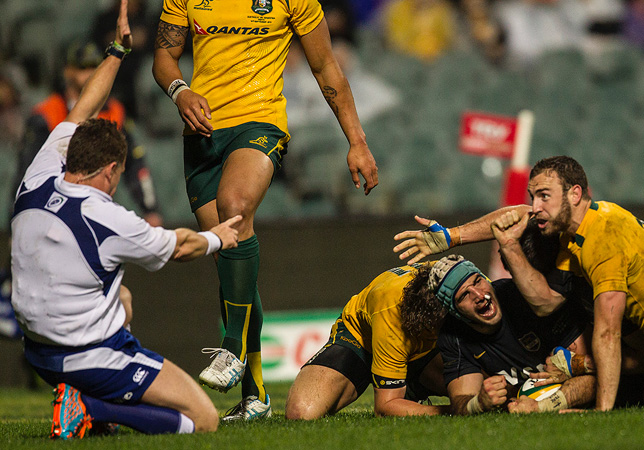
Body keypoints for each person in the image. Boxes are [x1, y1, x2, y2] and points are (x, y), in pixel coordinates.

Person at [11, 1, 241, 439]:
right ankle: (91, 407)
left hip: (40, 351)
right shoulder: (106, 217)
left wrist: (117, 49)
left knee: (126, 298)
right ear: (111, 171)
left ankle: (90, 408)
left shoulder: (39, 174)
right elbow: (181, 247)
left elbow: (81, 109)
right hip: (87, 356)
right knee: (204, 420)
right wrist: (219, 237)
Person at [152, 0, 379, 421]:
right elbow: (164, 56)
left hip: (259, 122)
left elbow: (326, 67)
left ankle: (232, 346)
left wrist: (357, 140)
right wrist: (180, 91)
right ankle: (255, 395)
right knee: (228, 260)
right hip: (201, 135)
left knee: (234, 209)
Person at [394, 155, 644, 412]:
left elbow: (608, 335)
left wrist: (595, 401)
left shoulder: (604, 238)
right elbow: (545, 299)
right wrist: (452, 237)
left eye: (544, 196)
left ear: (575, 194)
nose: (534, 206)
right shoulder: (574, 234)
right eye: (532, 196)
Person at [13, 39, 163, 227]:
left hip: (99, 208)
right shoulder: (47, 113)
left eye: (94, 66)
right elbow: (26, 171)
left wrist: (150, 208)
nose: (90, 73)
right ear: (68, 71)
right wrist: (17, 220)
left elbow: (134, 163)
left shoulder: (115, 112)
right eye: (83, 67)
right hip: (53, 211)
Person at [432, 254, 595, 414]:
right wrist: (479, 402)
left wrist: (577, 365)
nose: (479, 296)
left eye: (477, 281)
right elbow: (461, 402)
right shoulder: (453, 336)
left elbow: (598, 375)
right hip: (522, 404)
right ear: (456, 312)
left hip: (570, 388)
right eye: (464, 295)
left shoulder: (522, 296)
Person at [285, 262, 448, 419]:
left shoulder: (458, 281)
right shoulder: (390, 309)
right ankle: (405, 383)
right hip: (361, 339)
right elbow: (385, 408)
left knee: (470, 390)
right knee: (300, 412)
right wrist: (450, 410)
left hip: (418, 343)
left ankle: (412, 387)